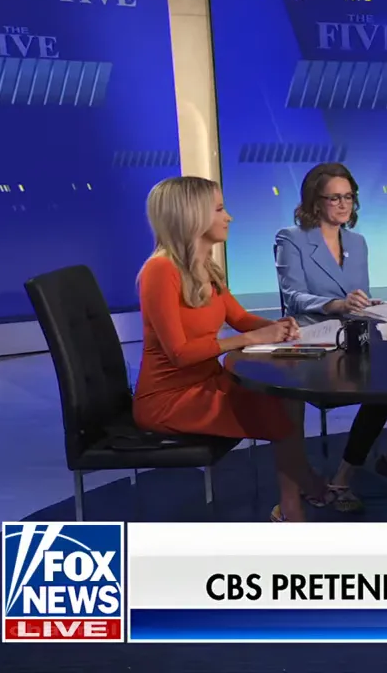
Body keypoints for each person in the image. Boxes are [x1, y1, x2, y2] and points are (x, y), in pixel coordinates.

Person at [133, 176, 351, 522]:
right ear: (191, 217)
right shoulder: (159, 271)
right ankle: (302, 496)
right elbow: (180, 354)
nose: (228, 217)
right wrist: (248, 341)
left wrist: (275, 327)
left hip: (208, 382)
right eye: (219, 209)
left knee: (287, 400)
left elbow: (238, 317)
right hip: (170, 398)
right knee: (280, 415)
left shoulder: (206, 266)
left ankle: (295, 501)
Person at [275, 162, 387, 503]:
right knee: (384, 383)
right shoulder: (291, 239)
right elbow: (293, 297)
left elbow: (354, 298)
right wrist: (336, 304)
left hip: (352, 337)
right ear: (315, 202)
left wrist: (364, 302)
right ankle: (344, 479)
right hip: (312, 340)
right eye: (334, 198)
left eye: (348, 197)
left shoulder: (358, 242)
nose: (343, 204)